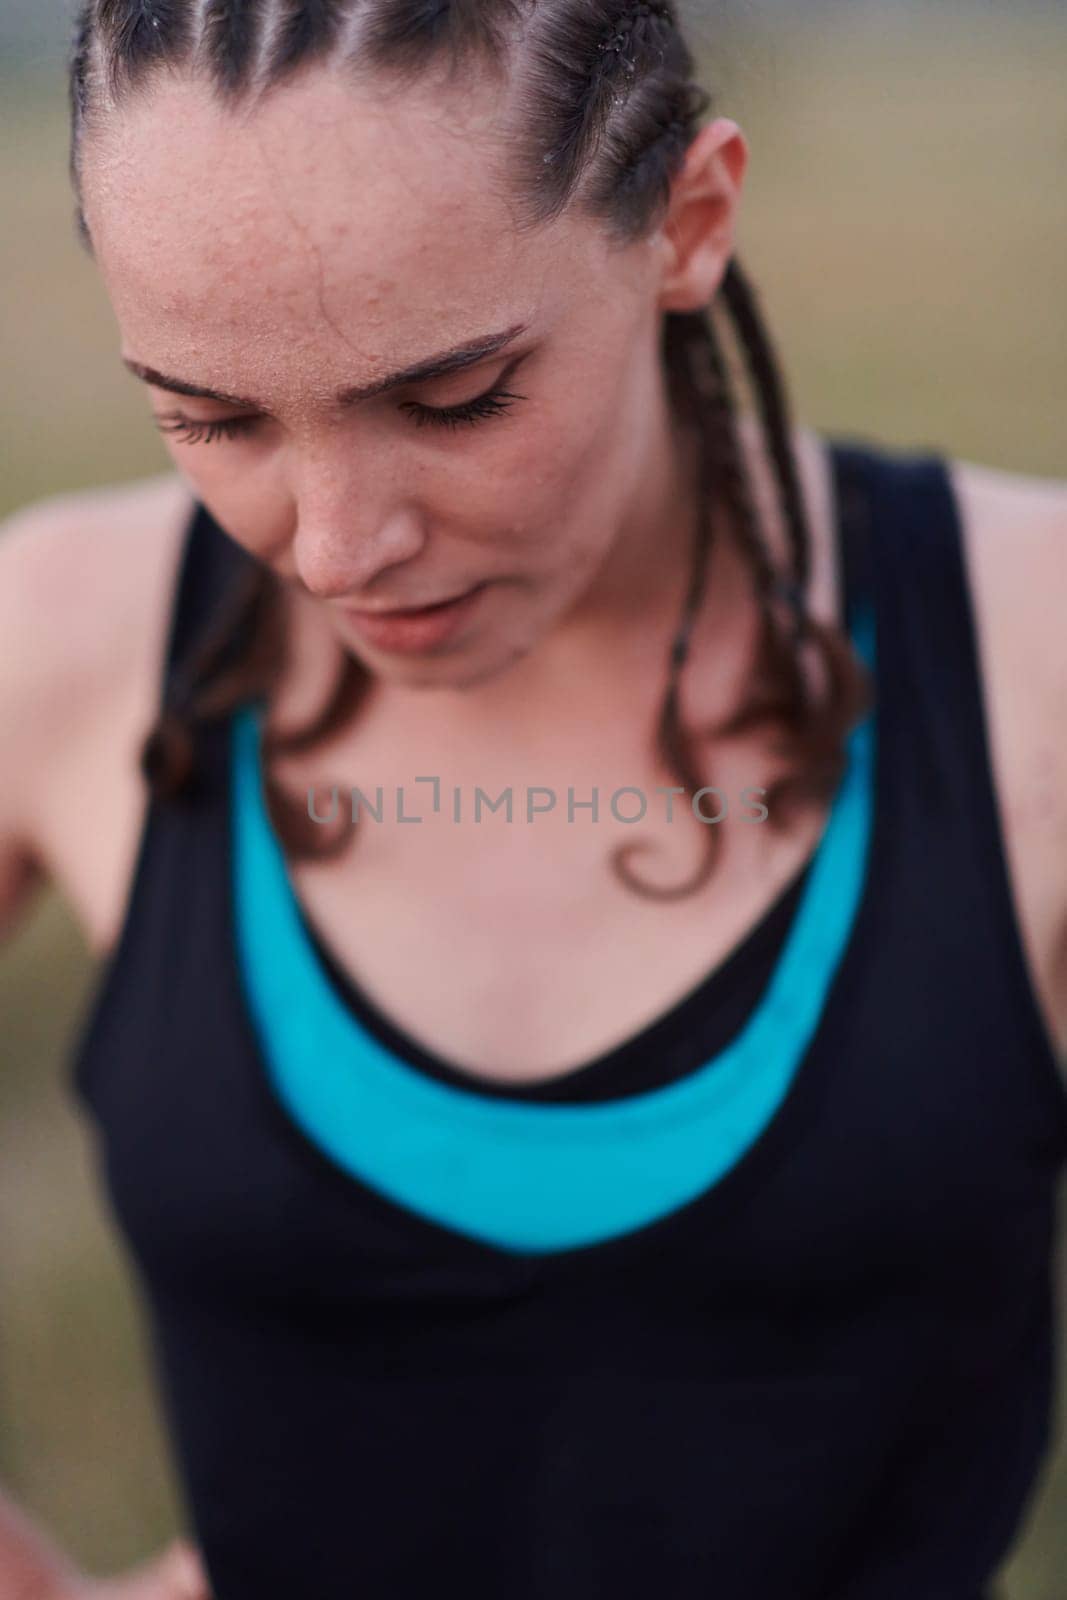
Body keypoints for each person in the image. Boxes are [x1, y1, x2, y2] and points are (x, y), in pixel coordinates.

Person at [1, 1, 1065, 1596]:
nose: (335, 549)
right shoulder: (62, 641)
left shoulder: (1027, 659)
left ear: (689, 226)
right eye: (210, 418)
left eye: (452, 399)